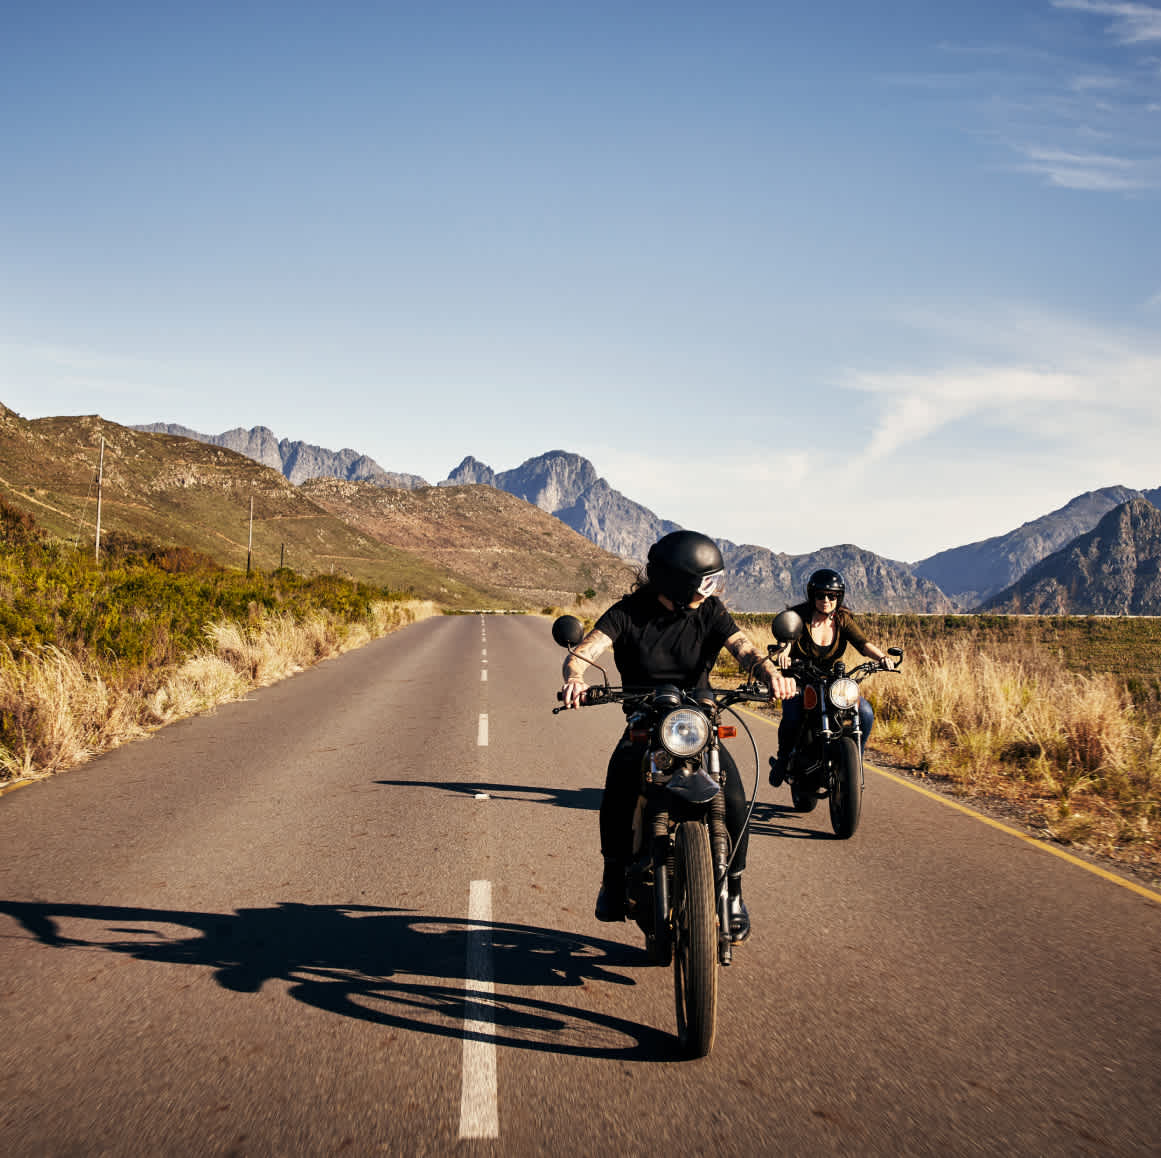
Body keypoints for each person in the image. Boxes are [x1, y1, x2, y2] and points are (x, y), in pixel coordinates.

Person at [559, 530, 796, 943]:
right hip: (646, 717)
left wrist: (770, 673)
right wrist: (576, 678)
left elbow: (743, 649)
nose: (711, 590)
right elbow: (584, 652)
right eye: (704, 583)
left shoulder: (710, 612)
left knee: (735, 794)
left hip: (699, 717)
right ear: (678, 583)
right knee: (618, 784)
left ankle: (733, 892)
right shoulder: (628, 613)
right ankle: (613, 877)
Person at [768, 567, 896, 786]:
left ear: (839, 596)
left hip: (832, 682)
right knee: (792, 714)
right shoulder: (799, 617)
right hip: (801, 680)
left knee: (863, 711)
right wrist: (783, 656)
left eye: (832, 595)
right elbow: (786, 642)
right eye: (820, 595)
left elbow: (862, 644)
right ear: (812, 595)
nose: (826, 600)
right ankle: (783, 759)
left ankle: (855, 760)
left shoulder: (843, 619)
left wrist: (882, 658)